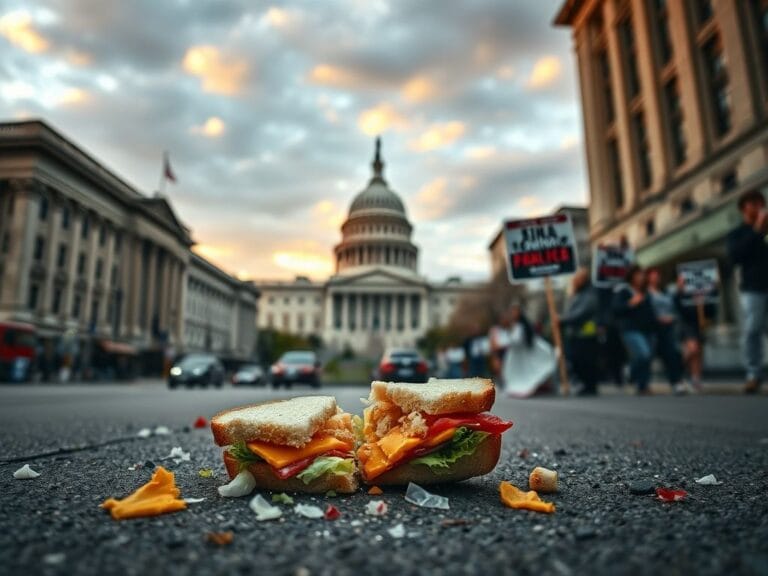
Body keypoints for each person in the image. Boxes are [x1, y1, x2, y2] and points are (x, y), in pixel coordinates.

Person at [727, 189, 768, 394]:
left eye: (761, 202)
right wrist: (756, 231)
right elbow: (735, 256)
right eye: (753, 203)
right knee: (752, 330)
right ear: (744, 208)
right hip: (753, 289)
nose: (758, 206)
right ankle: (753, 374)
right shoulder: (738, 234)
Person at [613, 265, 656, 395]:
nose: (641, 277)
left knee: (647, 358)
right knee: (643, 353)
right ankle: (629, 372)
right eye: (638, 274)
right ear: (632, 276)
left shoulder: (645, 292)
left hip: (647, 329)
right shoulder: (623, 291)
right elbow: (616, 309)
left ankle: (643, 385)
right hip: (630, 329)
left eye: (642, 275)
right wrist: (631, 303)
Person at [672, 274, 717, 393]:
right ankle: (676, 371)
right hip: (685, 325)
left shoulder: (700, 294)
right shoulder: (678, 295)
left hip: (698, 325)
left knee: (697, 353)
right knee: (693, 350)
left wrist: (705, 297)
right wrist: (680, 291)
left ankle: (695, 379)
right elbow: (677, 309)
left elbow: (711, 311)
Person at [500, 303, 557, 397]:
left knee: (525, 374)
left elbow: (518, 340)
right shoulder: (515, 326)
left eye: (515, 311)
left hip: (522, 356)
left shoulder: (522, 326)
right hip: (516, 357)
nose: (513, 314)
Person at [559, 268, 600, 396]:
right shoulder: (576, 294)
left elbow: (580, 313)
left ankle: (590, 385)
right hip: (575, 334)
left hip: (586, 334)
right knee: (577, 361)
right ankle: (585, 384)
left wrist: (563, 319)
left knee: (586, 361)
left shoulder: (589, 295)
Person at [646, 268, 687, 394]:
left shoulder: (667, 291)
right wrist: (658, 318)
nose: (656, 278)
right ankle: (641, 382)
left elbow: (676, 304)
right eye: (653, 275)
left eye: (658, 275)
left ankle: (676, 381)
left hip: (670, 327)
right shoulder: (645, 293)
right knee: (646, 355)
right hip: (653, 328)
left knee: (673, 354)